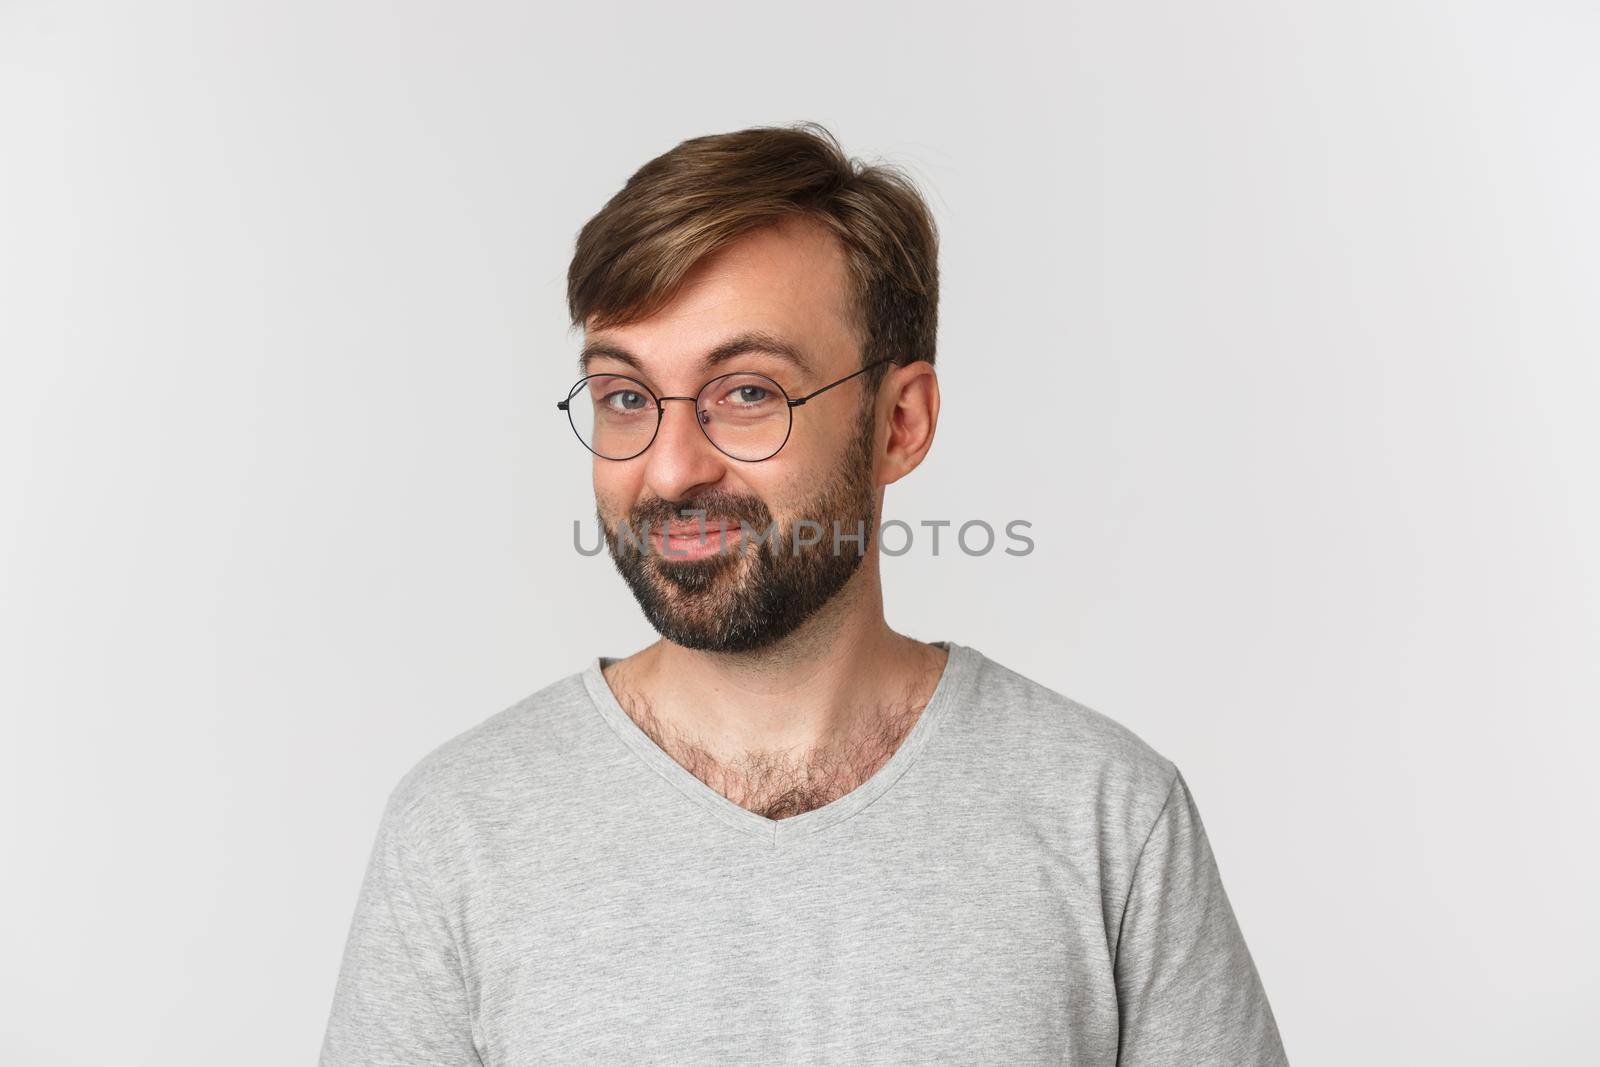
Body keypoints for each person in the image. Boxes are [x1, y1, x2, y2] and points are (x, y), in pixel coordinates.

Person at [319, 122, 1290, 1065]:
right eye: (624, 396)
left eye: (745, 392)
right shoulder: (460, 832)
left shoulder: (1108, 817)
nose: (667, 472)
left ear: (899, 423)